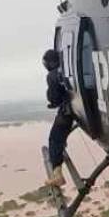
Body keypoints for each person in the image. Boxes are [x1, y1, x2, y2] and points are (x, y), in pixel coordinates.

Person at [43, 49, 74, 187]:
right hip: (79, 107)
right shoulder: (67, 69)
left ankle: (57, 174)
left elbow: (54, 98)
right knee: (60, 136)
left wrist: (52, 101)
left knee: (54, 139)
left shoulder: (53, 75)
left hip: (68, 110)